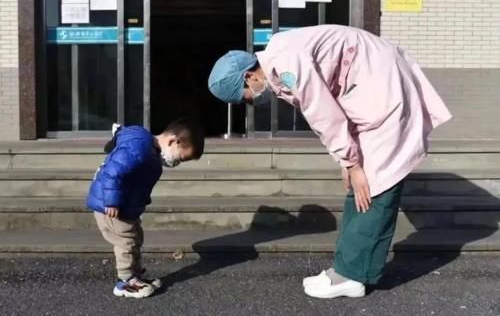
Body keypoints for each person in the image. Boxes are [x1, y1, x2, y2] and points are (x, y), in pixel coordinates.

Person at [208, 25, 452, 299]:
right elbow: (327, 112)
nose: (252, 101)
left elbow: (323, 113)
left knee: (375, 184)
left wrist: (352, 163)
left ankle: (353, 275)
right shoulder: (279, 63)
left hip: (382, 90)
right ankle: (346, 267)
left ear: (249, 76)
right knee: (360, 186)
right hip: (371, 87)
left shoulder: (288, 64)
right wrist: (346, 160)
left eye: (246, 97)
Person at [87, 119, 205, 298]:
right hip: (111, 206)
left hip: (125, 206)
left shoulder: (149, 151)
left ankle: (134, 275)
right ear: (174, 141)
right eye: (180, 158)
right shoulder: (139, 148)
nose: (176, 163)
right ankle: (125, 281)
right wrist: (112, 201)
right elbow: (113, 171)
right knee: (125, 241)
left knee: (135, 237)